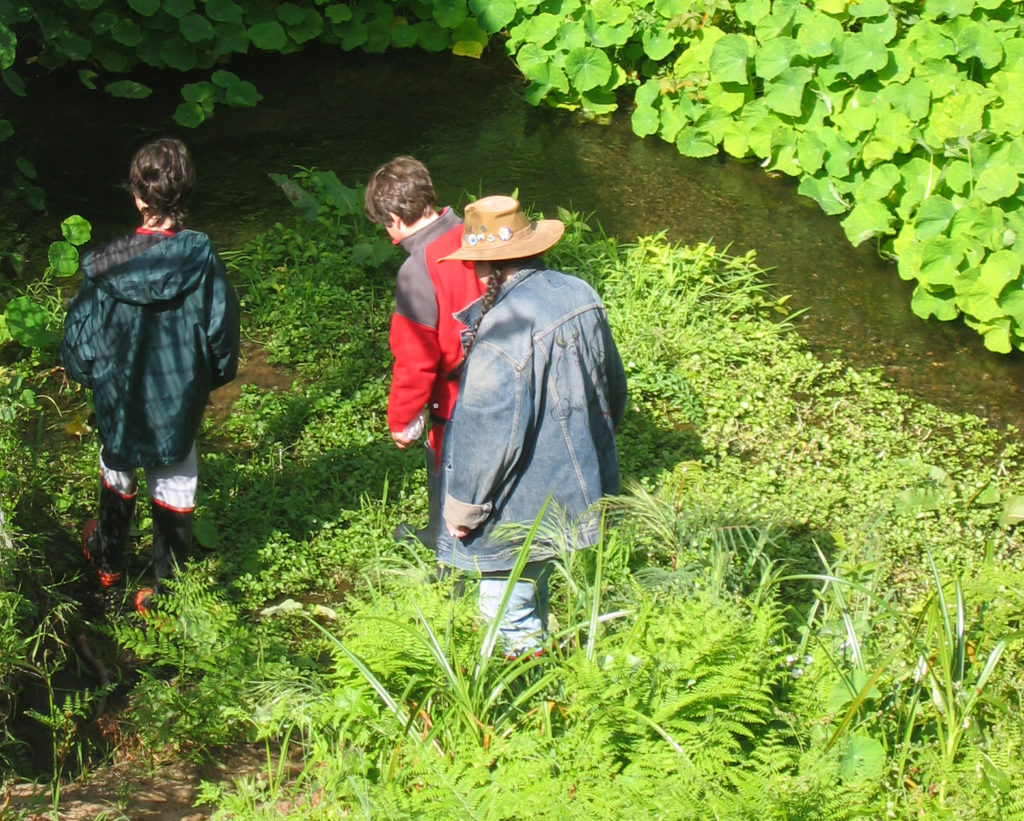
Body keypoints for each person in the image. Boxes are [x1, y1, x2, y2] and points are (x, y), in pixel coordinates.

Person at [437, 195, 627, 658]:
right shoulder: (578, 292)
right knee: (534, 581)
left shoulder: (501, 329)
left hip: (519, 504)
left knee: (506, 608)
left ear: (484, 267)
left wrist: (464, 507)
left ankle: (528, 704)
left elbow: (487, 431)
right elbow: (614, 391)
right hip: (577, 487)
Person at [60, 137, 240, 614]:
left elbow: (78, 342)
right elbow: (222, 336)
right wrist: (201, 383)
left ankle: (108, 562)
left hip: (118, 395)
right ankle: (167, 591)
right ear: (185, 195)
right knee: (177, 477)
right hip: (179, 395)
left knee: (116, 466)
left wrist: (93, 379)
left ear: (138, 196)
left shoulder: (106, 263)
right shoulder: (203, 259)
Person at [364, 156, 485, 552]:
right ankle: (443, 535)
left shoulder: (417, 270)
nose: (388, 233)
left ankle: (448, 556)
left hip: (456, 397)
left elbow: (416, 360)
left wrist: (401, 420)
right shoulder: (472, 231)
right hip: (499, 373)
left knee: (449, 471)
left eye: (385, 224)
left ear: (396, 218)